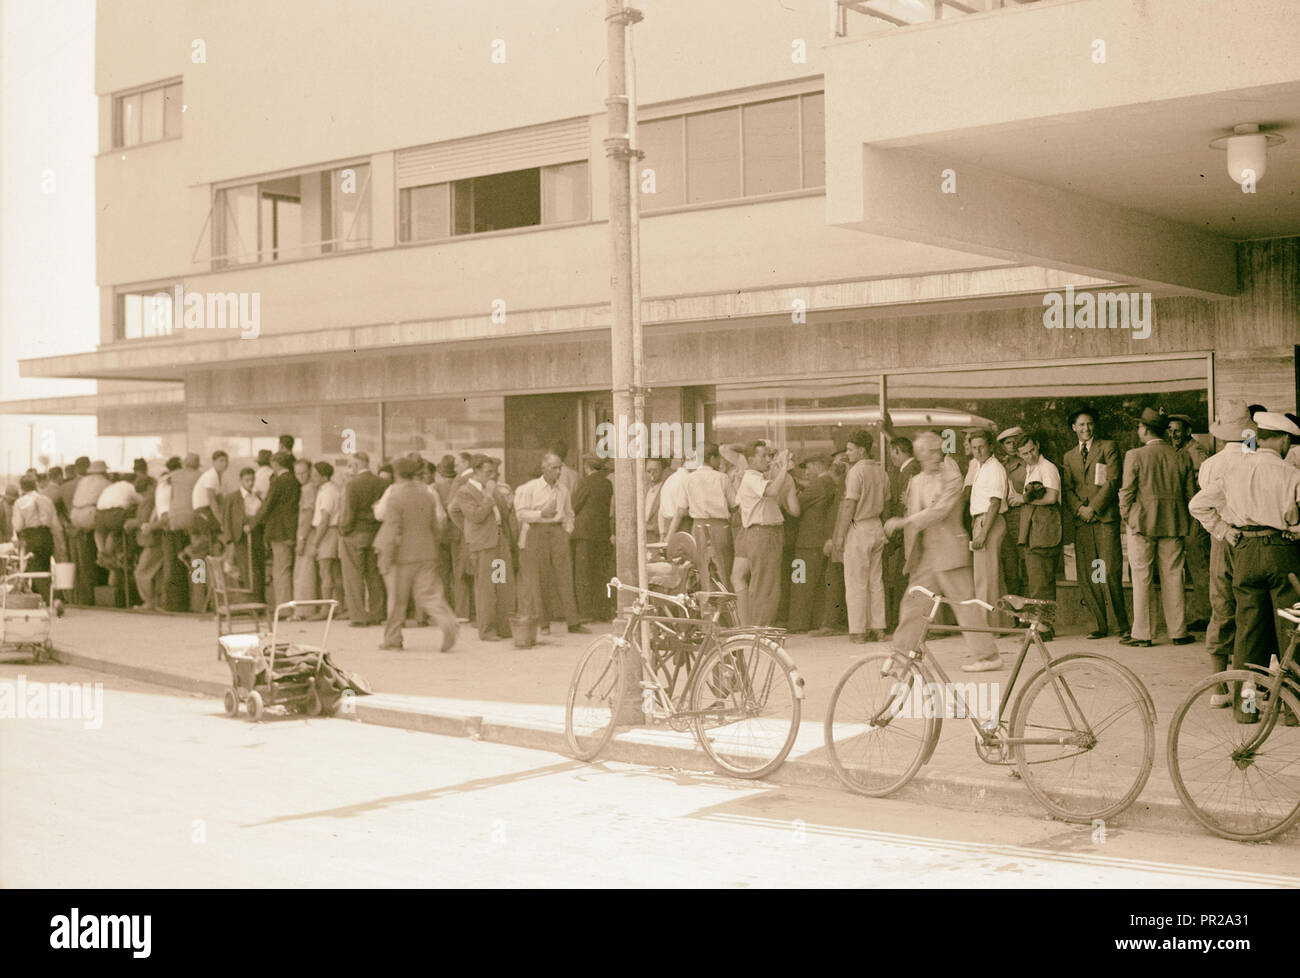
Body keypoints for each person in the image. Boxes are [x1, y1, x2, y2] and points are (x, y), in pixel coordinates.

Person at [1190, 411, 1300, 722]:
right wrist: (1295, 529)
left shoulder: (1234, 470)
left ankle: (1247, 709)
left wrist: (1225, 530)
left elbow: (1197, 505)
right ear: (1282, 440)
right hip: (1282, 553)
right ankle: (1293, 710)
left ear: (1259, 437)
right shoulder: (1290, 473)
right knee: (1290, 629)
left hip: (1245, 553)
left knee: (1249, 633)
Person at [885, 431, 1001, 671]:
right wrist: (911, 552)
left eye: (939, 450)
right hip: (928, 555)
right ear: (920, 455)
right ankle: (900, 655)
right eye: (932, 451)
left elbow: (940, 511)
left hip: (950, 551)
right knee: (913, 603)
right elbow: (915, 517)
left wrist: (903, 522)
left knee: (965, 605)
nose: (937, 455)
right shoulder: (917, 481)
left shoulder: (952, 477)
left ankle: (988, 657)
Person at [1118, 408, 1196, 648]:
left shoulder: (1135, 455)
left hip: (1141, 524)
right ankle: (1178, 631)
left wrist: (1127, 517)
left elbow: (1127, 491)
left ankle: (1142, 634)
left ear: (1144, 429)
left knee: (1141, 578)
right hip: (1173, 523)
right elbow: (1190, 494)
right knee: (1174, 576)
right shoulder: (1181, 455)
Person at [374, 456, 458, 652]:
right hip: (427, 552)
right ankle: (447, 622)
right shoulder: (428, 492)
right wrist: (432, 545)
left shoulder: (394, 494)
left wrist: (385, 557)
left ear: (397, 473)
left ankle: (393, 639)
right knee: (430, 594)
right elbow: (437, 522)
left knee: (397, 600)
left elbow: (391, 526)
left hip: (401, 556)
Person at [1062, 406, 1130, 641]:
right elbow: (1068, 488)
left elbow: (1113, 481)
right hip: (1083, 522)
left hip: (1104, 520)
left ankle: (1122, 625)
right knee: (1089, 575)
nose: (1086, 428)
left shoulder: (1107, 447)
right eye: (1081, 425)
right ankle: (1098, 625)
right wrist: (1080, 509)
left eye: (1089, 423)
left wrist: (1094, 508)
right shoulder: (1069, 456)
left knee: (1109, 571)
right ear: (1074, 428)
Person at [515, 451, 588, 636]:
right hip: (537, 531)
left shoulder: (563, 490)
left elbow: (570, 513)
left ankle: (573, 622)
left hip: (557, 532)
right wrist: (540, 514)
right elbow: (521, 513)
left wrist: (567, 530)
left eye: (560, 467)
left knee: (565, 576)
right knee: (540, 578)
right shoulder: (529, 488)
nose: (558, 471)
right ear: (544, 469)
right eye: (554, 468)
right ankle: (544, 622)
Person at [831, 428, 888, 643]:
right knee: (876, 581)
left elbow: (849, 506)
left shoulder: (856, 472)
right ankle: (879, 628)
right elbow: (888, 499)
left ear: (862, 450)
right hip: (876, 525)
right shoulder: (881, 470)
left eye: (850, 450)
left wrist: (840, 536)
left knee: (856, 582)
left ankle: (858, 631)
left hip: (858, 526)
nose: (848, 454)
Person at [450, 454, 515, 641]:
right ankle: (487, 629)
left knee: (502, 584)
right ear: (476, 471)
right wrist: (470, 531)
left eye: (493, 472)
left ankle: (504, 627)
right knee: (486, 588)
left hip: (499, 542)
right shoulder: (465, 491)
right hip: (484, 546)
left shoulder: (491, 489)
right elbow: (472, 515)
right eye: (488, 472)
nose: (492, 476)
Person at [735, 442, 800, 627]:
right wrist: (785, 469)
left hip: (751, 531)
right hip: (765, 532)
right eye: (763, 456)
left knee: (746, 578)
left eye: (769, 455)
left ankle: (748, 624)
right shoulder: (752, 478)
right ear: (750, 459)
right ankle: (761, 628)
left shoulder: (757, 478)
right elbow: (772, 492)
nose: (768, 459)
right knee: (766, 583)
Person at [1013, 431, 1062, 642]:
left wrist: (1023, 500)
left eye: (1032, 450)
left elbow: (1052, 498)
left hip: (1044, 529)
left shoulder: (1047, 468)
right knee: (1038, 580)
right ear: (1019, 454)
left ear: (1038, 446)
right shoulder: (1030, 468)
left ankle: (1043, 628)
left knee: (1041, 581)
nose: (1030, 455)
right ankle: (1043, 626)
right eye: (1024, 453)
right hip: (1035, 530)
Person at [1166, 413, 1212, 631]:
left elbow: (1204, 486)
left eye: (1177, 430)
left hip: (1196, 517)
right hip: (1183, 517)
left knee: (1200, 567)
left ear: (1187, 431)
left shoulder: (1197, 452)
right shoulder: (1179, 451)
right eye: (1170, 430)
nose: (1173, 434)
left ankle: (1208, 616)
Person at [673, 442, 734, 589]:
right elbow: (734, 504)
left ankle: (707, 607)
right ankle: (726, 607)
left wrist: (698, 507)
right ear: (712, 458)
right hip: (720, 526)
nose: (720, 461)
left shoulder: (688, 479)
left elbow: (681, 510)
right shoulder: (722, 478)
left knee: (703, 569)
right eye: (718, 457)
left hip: (698, 526)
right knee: (723, 567)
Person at [788, 455, 836, 633]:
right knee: (817, 586)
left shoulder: (818, 485)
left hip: (808, 543)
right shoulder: (829, 482)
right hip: (819, 541)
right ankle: (815, 621)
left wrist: (788, 490)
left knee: (800, 583)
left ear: (818, 465)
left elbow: (796, 504)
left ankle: (797, 624)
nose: (806, 472)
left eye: (808, 468)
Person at [340, 451, 387, 627]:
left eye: (350, 465)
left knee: (353, 577)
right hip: (375, 534)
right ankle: (377, 614)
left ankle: (359, 616)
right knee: (373, 574)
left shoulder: (352, 485)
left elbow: (348, 513)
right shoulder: (382, 483)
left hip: (354, 535)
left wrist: (343, 530)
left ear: (356, 465)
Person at [967, 429, 1008, 626]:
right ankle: (1001, 624)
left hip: (989, 521)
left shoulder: (994, 468)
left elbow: (994, 504)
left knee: (986, 578)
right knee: (991, 576)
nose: (978, 451)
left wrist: (983, 533)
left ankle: (988, 627)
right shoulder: (980, 466)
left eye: (981, 446)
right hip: (982, 520)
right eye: (974, 447)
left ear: (991, 446)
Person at [250, 451, 300, 613]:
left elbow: (268, 505)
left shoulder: (278, 481)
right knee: (286, 568)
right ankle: (287, 606)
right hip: (290, 530)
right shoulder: (294, 480)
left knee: (281, 570)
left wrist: (252, 523)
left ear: (276, 463)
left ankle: (283, 609)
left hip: (279, 531)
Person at [11, 475, 66, 605]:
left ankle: (55, 600)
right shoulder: (46, 500)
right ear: (36, 485)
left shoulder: (20, 503)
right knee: (44, 567)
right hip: (47, 535)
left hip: (32, 536)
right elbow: (56, 524)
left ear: (22, 487)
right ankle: (43, 598)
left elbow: (18, 525)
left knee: (36, 570)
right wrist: (61, 543)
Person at [572, 456, 614, 622]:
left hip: (584, 535)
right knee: (601, 573)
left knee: (583, 574)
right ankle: (602, 611)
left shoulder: (585, 483)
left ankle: (586, 612)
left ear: (586, 466)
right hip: (602, 533)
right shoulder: (607, 483)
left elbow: (574, 505)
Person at [310, 461, 347, 621]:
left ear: (324, 476)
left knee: (326, 573)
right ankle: (341, 607)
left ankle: (326, 609)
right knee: (335, 573)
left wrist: (316, 542)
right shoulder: (330, 490)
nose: (313, 478)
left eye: (316, 475)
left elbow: (324, 519)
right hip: (332, 533)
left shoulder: (328, 492)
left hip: (326, 533)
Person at [995, 426, 1027, 601]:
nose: (1012, 445)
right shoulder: (1001, 465)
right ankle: (1014, 614)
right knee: (1010, 568)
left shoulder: (1028, 464)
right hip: (1004, 520)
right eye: (1008, 442)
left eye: (1016, 440)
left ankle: (1029, 616)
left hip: (1023, 518)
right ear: (1003, 446)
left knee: (1026, 567)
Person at [644, 458, 665, 545]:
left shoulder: (665, 489)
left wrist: (651, 527)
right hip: (643, 539)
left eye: (655, 471)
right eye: (649, 471)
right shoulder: (643, 490)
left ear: (662, 471)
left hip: (657, 539)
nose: (652, 474)